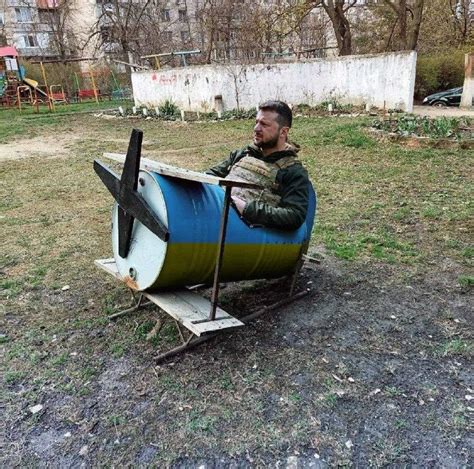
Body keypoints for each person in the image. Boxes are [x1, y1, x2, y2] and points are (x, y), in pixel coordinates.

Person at [207, 100, 309, 230]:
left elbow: (295, 215)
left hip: (241, 234)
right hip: (214, 218)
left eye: (264, 124)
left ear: (283, 132)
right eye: (256, 122)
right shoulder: (244, 154)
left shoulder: (292, 172)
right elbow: (208, 176)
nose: (256, 129)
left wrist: (247, 208)